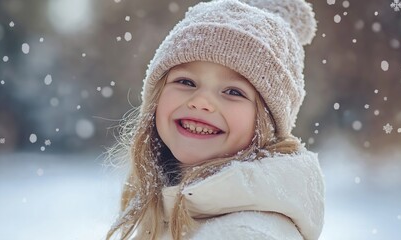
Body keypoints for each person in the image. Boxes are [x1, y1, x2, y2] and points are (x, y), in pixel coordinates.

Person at [106, 0, 325, 239]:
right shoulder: (169, 211)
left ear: (267, 122)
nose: (201, 102)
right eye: (186, 82)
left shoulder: (246, 233)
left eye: (233, 92)